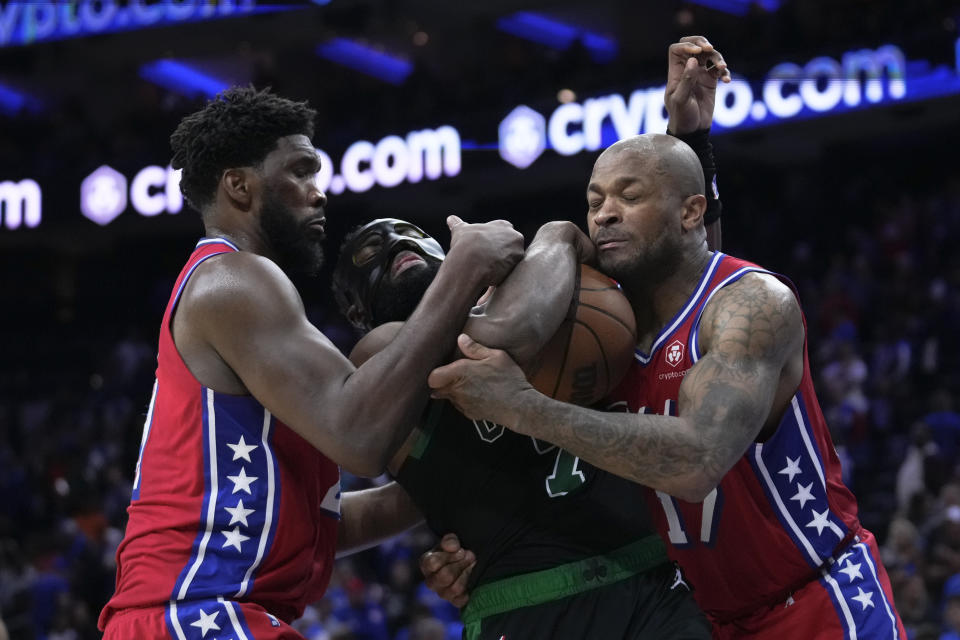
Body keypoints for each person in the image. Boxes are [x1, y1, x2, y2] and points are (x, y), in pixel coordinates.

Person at [426, 73, 908, 640]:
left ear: (690, 212)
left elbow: (697, 460)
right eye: (594, 201)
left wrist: (521, 404)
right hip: (704, 618)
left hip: (816, 601)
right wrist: (481, 554)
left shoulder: (752, 304)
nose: (604, 213)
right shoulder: (603, 330)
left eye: (629, 197)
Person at [332, 37, 731, 640]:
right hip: (525, 607)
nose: (393, 255)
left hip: (648, 582)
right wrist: (558, 236)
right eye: (374, 267)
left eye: (406, 244)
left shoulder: (550, 292)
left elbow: (689, 287)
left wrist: (691, 140)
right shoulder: (383, 353)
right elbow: (502, 340)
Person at [97, 87, 524, 639]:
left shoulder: (246, 299)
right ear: (239, 186)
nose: (319, 194)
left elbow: (319, 523)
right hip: (197, 614)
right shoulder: (234, 279)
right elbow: (361, 437)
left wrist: (461, 482)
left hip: (195, 614)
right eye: (300, 172)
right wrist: (460, 270)